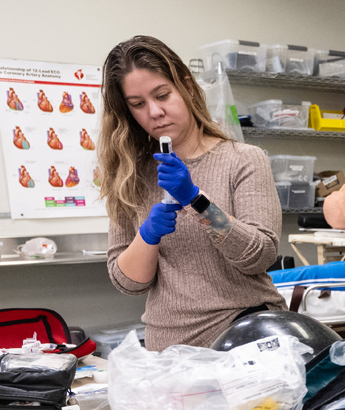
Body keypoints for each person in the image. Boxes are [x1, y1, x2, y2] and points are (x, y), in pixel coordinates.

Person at [100, 35, 286, 351]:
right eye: (138, 104)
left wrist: (196, 199)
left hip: (242, 339)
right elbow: (129, 282)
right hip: (170, 351)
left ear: (186, 85)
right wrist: (147, 237)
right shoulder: (130, 176)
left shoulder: (243, 159)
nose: (155, 111)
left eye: (162, 95)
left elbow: (260, 256)